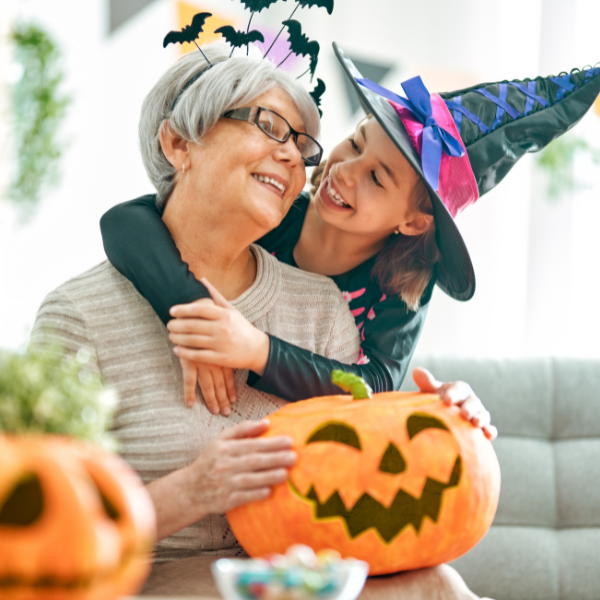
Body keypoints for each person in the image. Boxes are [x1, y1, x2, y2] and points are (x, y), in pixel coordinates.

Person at [30, 43, 494, 570]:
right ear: (179, 143)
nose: (298, 157)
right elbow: (39, 535)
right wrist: (190, 308)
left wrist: (445, 415)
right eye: (270, 126)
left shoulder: (340, 306)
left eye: (301, 142)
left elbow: (369, 427)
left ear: (412, 223)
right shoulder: (79, 317)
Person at [100, 41, 600, 419]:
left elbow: (377, 384)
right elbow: (126, 221)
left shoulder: (401, 288)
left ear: (414, 221)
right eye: (355, 142)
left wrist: (255, 349)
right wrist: (197, 313)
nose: (345, 170)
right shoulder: (272, 216)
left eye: (378, 177)